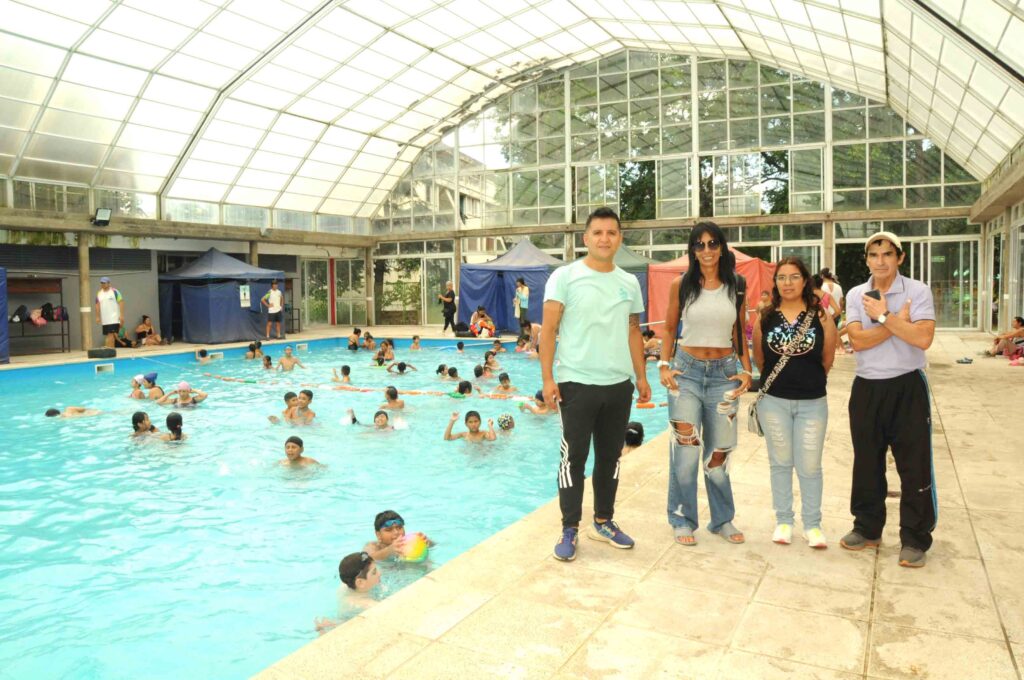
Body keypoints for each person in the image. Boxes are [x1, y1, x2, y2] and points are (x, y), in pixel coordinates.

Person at [541, 206, 649, 562]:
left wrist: (641, 376)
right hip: (576, 382)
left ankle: (603, 521)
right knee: (573, 458)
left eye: (611, 232)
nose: (605, 238)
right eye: (598, 232)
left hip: (618, 384)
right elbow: (549, 330)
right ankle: (569, 527)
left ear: (620, 238)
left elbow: (633, 331)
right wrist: (547, 378)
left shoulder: (628, 282)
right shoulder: (565, 277)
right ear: (586, 238)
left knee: (610, 457)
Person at [842, 231, 936, 568]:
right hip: (867, 387)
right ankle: (867, 527)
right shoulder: (856, 294)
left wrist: (883, 317)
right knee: (867, 462)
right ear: (867, 259)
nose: (880, 261)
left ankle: (914, 538)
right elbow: (857, 341)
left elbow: (923, 338)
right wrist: (898, 323)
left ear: (900, 257)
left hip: (907, 386)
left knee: (914, 465)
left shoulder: (917, 291)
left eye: (887, 254)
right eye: (873, 254)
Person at [657, 222, 754, 547]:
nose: (707, 250)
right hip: (686, 372)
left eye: (713, 243)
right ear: (692, 250)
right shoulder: (681, 284)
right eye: (700, 245)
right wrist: (663, 365)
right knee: (685, 452)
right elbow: (669, 328)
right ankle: (682, 519)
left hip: (724, 374)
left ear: (722, 247)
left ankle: (722, 519)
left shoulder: (737, 285)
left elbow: (739, 333)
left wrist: (747, 371)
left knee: (719, 453)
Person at [752, 257, 836, 549]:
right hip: (774, 402)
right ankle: (784, 521)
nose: (787, 283)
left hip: (812, 403)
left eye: (794, 277)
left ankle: (812, 525)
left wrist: (807, 380)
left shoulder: (820, 316)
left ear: (805, 281)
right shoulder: (765, 316)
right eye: (781, 277)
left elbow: (827, 359)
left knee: (810, 466)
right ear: (775, 282)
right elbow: (760, 360)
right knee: (780, 463)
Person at [94, 276, 124, 349]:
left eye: (104, 283)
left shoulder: (115, 291)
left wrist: (121, 315)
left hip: (114, 318)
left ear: (109, 283)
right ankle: (111, 350)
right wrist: (97, 316)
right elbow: (97, 305)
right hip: (105, 319)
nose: (102, 284)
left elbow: (121, 302)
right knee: (109, 335)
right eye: (101, 283)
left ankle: (108, 349)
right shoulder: (99, 293)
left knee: (110, 334)